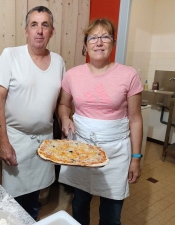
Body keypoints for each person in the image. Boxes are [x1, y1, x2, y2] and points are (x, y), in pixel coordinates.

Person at [58, 18, 143, 225]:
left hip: (115, 152)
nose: (99, 42)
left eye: (105, 37)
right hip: (81, 149)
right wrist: (65, 117)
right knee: (79, 204)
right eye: (93, 37)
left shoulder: (129, 75)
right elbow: (63, 105)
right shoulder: (72, 75)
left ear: (112, 43)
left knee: (111, 213)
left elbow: (135, 119)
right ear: (86, 44)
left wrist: (136, 158)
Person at [0, 6, 65, 220]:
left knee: (34, 201)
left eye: (45, 25)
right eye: (34, 25)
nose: (39, 30)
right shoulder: (10, 55)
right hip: (16, 141)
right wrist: (3, 143)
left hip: (44, 142)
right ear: (26, 31)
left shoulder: (59, 62)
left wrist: (65, 120)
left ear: (52, 31)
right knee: (13, 203)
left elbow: (61, 102)